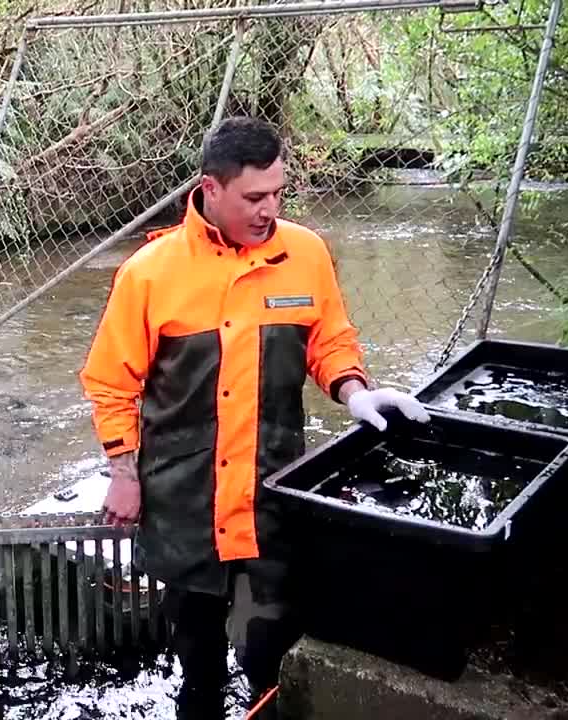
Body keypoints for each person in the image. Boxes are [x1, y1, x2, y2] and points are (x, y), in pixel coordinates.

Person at [78, 116, 429, 717]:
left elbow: (331, 341)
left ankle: (268, 697)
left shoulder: (306, 253)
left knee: (274, 635)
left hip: (273, 481)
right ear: (210, 189)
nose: (270, 210)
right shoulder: (150, 271)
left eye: (278, 194)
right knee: (197, 640)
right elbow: (111, 381)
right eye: (254, 197)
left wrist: (354, 391)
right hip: (186, 492)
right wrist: (124, 472)